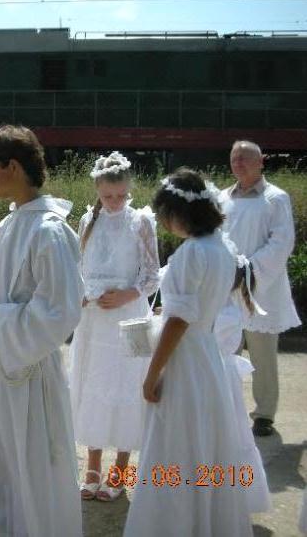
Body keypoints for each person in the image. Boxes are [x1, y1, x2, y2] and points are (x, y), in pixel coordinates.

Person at [0, 125, 83, 537]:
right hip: (2, 364)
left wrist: (0, 318)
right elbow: (8, 290)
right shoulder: (8, 226)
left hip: (31, 372)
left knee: (35, 466)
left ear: (13, 166)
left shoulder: (50, 230)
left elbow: (61, 311)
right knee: (5, 463)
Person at [124, 169, 252, 537]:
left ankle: (177, 525)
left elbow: (178, 321)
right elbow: (197, 310)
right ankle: (206, 523)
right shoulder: (223, 247)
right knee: (205, 442)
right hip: (208, 355)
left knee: (176, 445)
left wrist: (151, 375)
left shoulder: (189, 255)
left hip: (184, 358)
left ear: (177, 213)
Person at [69, 151, 160, 502]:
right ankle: (92, 465)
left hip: (126, 315)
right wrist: (79, 293)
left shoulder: (141, 222)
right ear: (97, 190)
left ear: (129, 189)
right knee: (93, 383)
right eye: (108, 196)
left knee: (125, 386)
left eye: (121, 195)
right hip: (93, 320)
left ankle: (121, 467)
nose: (115, 202)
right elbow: (78, 268)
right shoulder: (86, 221)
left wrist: (126, 294)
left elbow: (152, 275)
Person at [218, 139, 301, 437]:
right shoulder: (222, 198)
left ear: (260, 162)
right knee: (226, 351)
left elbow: (281, 243)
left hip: (260, 290)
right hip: (227, 289)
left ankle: (264, 414)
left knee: (262, 356)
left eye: (245, 158)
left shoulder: (275, 198)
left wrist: (248, 270)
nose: (238, 163)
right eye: (234, 158)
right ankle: (228, 409)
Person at [213, 264, 272, 514]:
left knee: (220, 433)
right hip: (225, 377)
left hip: (217, 377)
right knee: (230, 432)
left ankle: (219, 491)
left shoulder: (223, 312)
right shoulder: (231, 307)